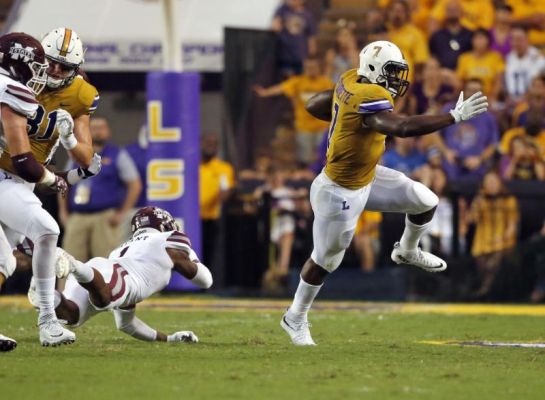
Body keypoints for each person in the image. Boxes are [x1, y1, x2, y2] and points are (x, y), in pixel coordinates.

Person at [280, 40, 488, 345]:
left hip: (367, 176)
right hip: (339, 190)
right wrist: (453, 117)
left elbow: (314, 104)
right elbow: (402, 127)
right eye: (392, 71)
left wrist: (343, 113)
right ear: (374, 69)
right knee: (326, 260)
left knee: (425, 201)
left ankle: (406, 250)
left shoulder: (351, 79)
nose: (396, 79)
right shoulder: (368, 94)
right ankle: (295, 316)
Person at [28, 207, 213, 343]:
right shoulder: (168, 238)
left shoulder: (123, 249)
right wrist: (192, 255)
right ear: (165, 225)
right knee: (105, 299)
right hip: (109, 276)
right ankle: (72, 264)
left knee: (71, 317)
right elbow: (205, 281)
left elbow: (127, 324)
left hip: (100, 270)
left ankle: (43, 291)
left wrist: (170, 339)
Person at [0, 32, 80, 347]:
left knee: (4, 261)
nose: (41, 71)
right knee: (47, 229)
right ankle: (48, 321)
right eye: (37, 64)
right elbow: (23, 161)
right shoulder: (12, 89)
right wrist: (54, 180)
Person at [59, 118, 142, 261]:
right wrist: (63, 211)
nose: (99, 131)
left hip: (105, 216)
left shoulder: (117, 154)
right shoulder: (76, 153)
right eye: (94, 127)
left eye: (102, 127)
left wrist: (122, 213)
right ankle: (68, 285)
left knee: (107, 262)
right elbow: (64, 183)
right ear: (87, 131)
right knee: (69, 262)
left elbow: (135, 185)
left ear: (108, 132)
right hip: (78, 215)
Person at [254, 57, 334, 164]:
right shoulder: (298, 82)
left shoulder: (325, 83)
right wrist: (265, 92)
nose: (310, 69)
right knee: (305, 159)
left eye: (313, 67)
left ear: (319, 68)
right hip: (303, 127)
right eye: (308, 67)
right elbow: (281, 88)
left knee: (324, 158)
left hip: (322, 127)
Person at [436, 78, 499, 181]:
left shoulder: (489, 117)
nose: (473, 94)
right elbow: (435, 134)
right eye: (470, 90)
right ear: (464, 92)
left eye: (477, 91)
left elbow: (493, 144)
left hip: (476, 168)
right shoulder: (449, 110)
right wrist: (446, 152)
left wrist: (479, 159)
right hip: (450, 166)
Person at [199, 134, 236, 270]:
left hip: (211, 217)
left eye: (214, 144)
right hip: (191, 218)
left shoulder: (223, 168)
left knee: (208, 251)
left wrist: (219, 199)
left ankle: (203, 285)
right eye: (207, 142)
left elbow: (226, 189)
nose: (210, 146)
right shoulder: (190, 165)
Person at [456, 28, 504, 101]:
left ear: (488, 41)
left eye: (482, 38)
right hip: (468, 98)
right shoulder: (464, 58)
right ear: (472, 41)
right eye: (477, 38)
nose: (479, 41)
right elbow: (460, 82)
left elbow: (498, 81)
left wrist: (492, 98)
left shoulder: (496, 58)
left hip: (488, 98)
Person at [271, 0, 317, 77]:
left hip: (301, 57)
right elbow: (275, 27)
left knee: (299, 81)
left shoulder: (308, 16)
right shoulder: (283, 11)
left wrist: (310, 57)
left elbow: (311, 38)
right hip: (285, 55)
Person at [428, 0, 473, 71]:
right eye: (449, 10)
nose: (452, 12)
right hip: (440, 73)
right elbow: (432, 57)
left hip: (463, 73)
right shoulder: (437, 36)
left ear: (462, 13)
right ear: (445, 13)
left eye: (455, 9)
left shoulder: (469, 35)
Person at [504, 26, 545, 103]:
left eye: (519, 39)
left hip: (533, 102)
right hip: (512, 103)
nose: (515, 43)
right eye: (513, 39)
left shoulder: (539, 59)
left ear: (527, 40)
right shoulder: (508, 58)